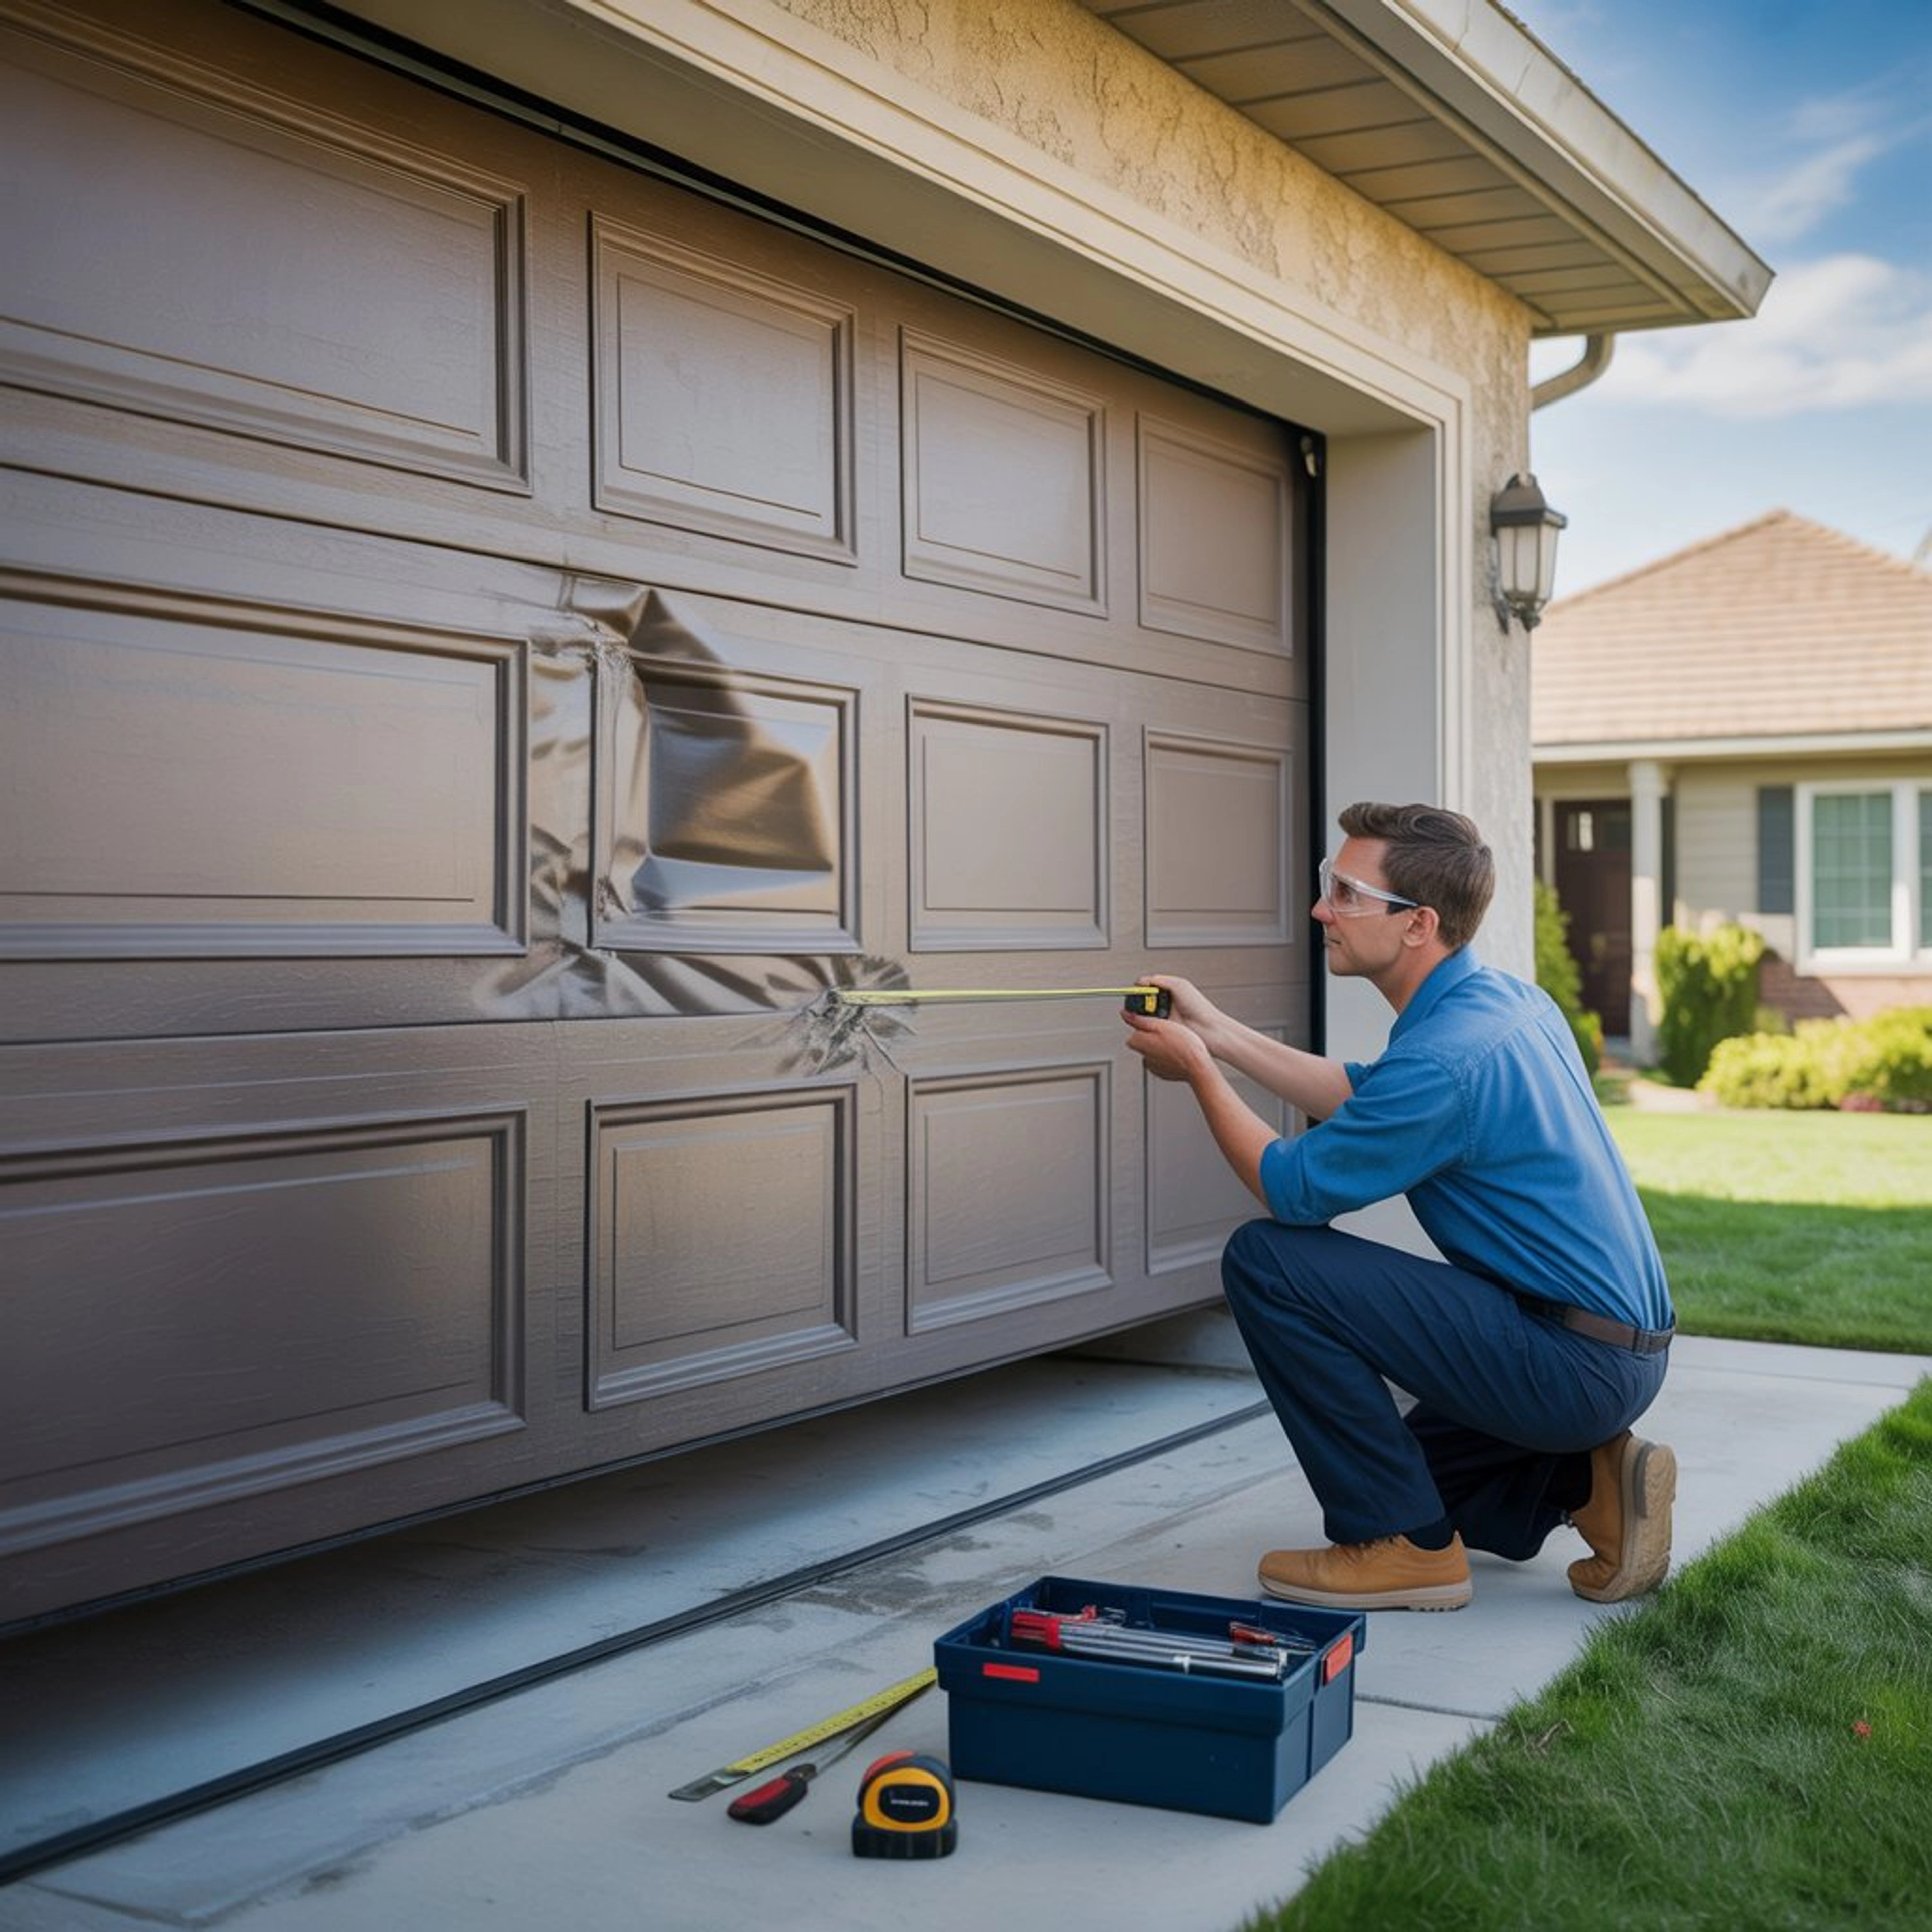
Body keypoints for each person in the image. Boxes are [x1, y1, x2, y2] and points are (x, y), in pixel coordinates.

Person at [1122, 801, 1676, 1613]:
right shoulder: (1506, 1005)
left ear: (1418, 925)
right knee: (1414, 1476)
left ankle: (1407, 1556)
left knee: (1270, 1260)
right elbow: (1366, 1092)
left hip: (1571, 1364)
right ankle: (1590, 1485)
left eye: (1346, 893)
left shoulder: (1449, 1062)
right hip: (1613, 1353)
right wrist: (1219, 1034)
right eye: (1329, 885)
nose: (1322, 909)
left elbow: (1291, 1190)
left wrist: (1200, 1074)